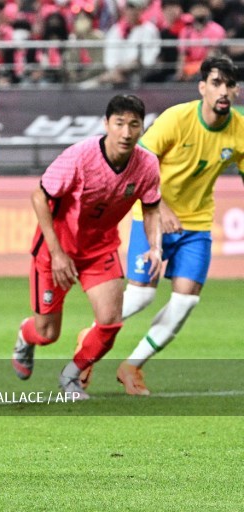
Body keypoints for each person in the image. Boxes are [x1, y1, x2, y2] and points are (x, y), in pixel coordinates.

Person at [11, 94, 162, 400]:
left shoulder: (147, 165)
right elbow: (39, 197)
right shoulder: (80, 157)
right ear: (106, 124)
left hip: (99, 249)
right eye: (119, 123)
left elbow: (152, 207)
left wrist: (155, 246)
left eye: (134, 125)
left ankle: (71, 376)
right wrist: (56, 253)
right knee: (47, 333)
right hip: (57, 248)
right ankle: (26, 336)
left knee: (110, 323)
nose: (126, 132)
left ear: (142, 129)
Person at [117, 55, 244, 395]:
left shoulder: (240, 131)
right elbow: (138, 163)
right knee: (140, 298)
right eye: (216, 83)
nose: (224, 91)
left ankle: (132, 367)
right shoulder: (177, 119)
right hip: (153, 216)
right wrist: (160, 206)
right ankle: (88, 349)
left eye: (230, 85)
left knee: (186, 301)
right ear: (202, 87)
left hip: (197, 225)